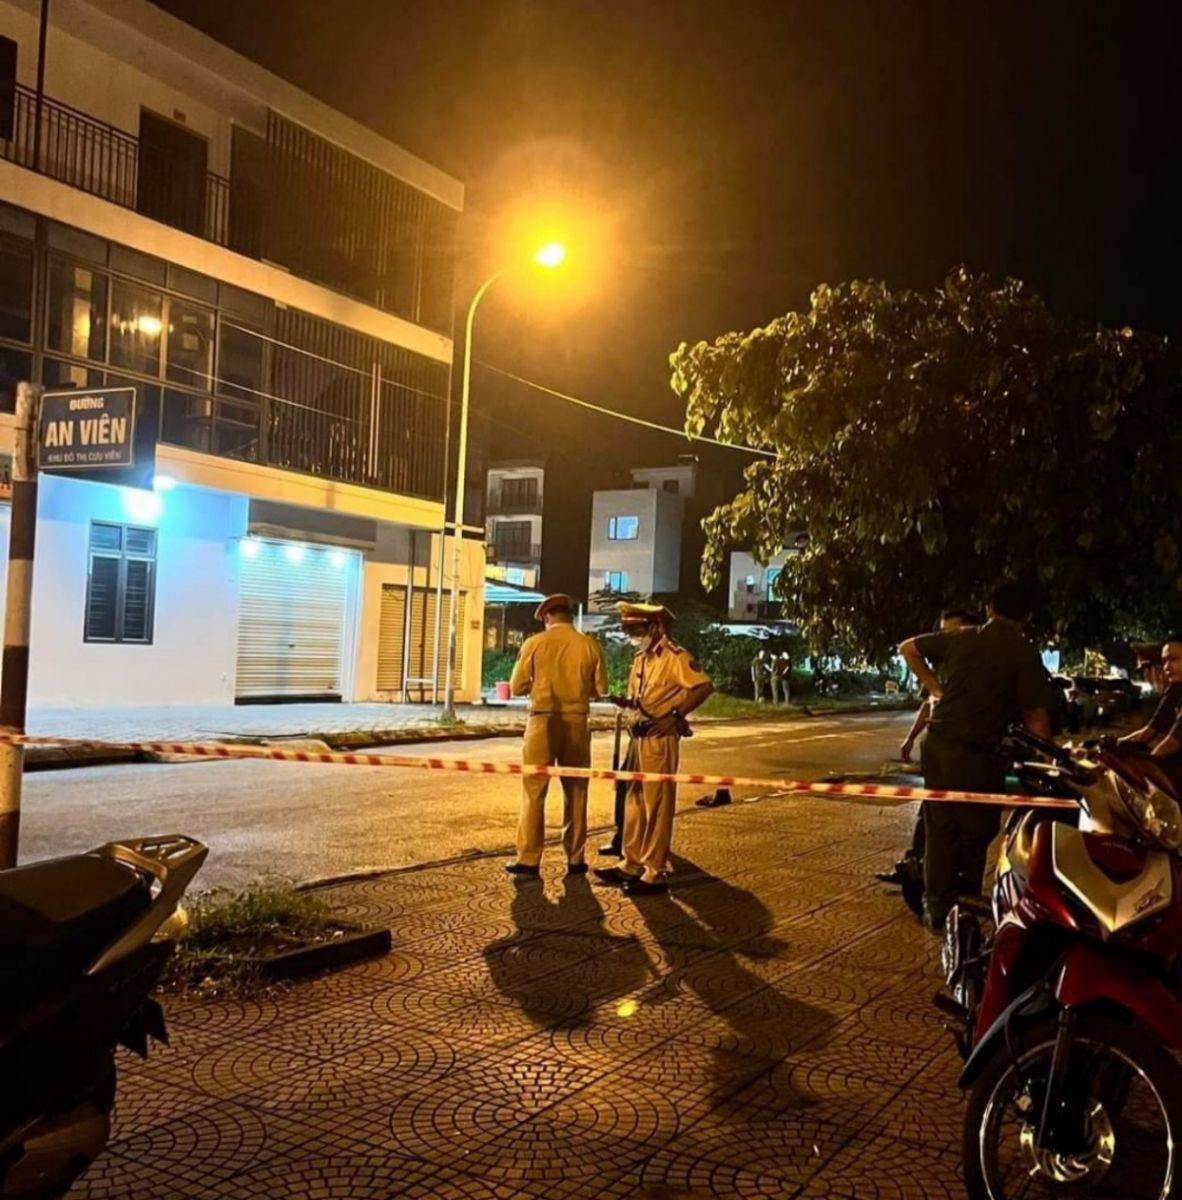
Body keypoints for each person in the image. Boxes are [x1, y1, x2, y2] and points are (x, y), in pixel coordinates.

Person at [899, 581, 1051, 931]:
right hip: (976, 754)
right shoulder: (1023, 652)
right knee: (977, 828)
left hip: (938, 744)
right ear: (1027, 616)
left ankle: (937, 906)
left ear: (988, 608)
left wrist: (936, 689)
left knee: (940, 828)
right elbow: (1035, 716)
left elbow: (908, 648)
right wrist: (1050, 761)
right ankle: (963, 899)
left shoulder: (961, 638)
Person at [595, 602, 713, 896]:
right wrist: (624, 702)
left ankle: (654, 871)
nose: (633, 636)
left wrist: (675, 716)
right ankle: (631, 863)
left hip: (659, 740)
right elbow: (643, 697)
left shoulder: (675, 656)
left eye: (637, 630)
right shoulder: (641, 659)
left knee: (657, 806)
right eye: (629, 631)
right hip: (638, 738)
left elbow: (702, 687)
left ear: (654, 627)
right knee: (634, 803)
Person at [504, 593, 608, 878]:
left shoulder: (534, 643)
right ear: (570, 615)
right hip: (577, 722)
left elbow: (516, 686)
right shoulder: (590, 645)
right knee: (577, 791)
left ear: (547, 617)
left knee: (534, 792)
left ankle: (529, 859)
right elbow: (601, 690)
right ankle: (575, 858)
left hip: (542, 721)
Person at [876, 609, 975, 894]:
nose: (944, 638)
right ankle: (914, 867)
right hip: (937, 751)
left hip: (965, 754)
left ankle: (949, 883)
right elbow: (928, 703)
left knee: (953, 823)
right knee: (928, 814)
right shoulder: (940, 665)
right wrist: (910, 739)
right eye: (942, 632)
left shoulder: (972, 667)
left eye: (952, 631)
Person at [1119, 638, 1182, 755]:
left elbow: (1171, 744)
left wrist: (1148, 760)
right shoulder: (1175, 689)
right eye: (1164, 661)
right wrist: (1116, 744)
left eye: (1174, 659)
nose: (1167, 667)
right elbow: (1149, 730)